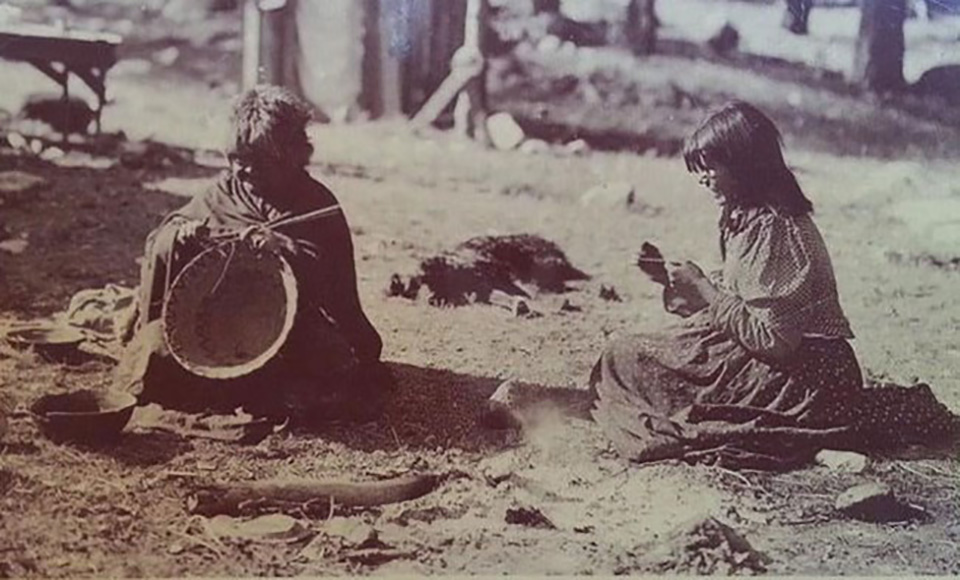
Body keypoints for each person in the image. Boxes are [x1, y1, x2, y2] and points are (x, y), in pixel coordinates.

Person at [589, 101, 959, 469]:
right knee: (627, 354)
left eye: (711, 167)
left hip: (804, 378)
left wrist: (703, 287)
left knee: (627, 357)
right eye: (698, 169)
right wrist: (678, 282)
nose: (703, 179)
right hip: (778, 362)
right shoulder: (749, 218)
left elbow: (775, 341)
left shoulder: (777, 228)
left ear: (744, 164)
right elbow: (746, 297)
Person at [117, 85, 385, 422]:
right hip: (214, 326)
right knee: (153, 350)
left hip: (287, 327)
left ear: (290, 156)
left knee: (330, 363)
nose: (243, 171)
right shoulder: (221, 193)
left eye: (257, 162)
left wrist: (285, 249)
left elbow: (335, 287)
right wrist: (181, 238)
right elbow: (164, 238)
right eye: (236, 160)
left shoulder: (316, 203)